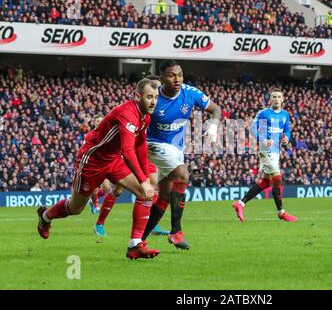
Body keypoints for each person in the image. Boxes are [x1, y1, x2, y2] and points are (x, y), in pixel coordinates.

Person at [36, 78, 161, 260]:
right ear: (137, 96)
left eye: (156, 97)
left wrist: (145, 178)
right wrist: (142, 179)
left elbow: (140, 144)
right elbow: (127, 150)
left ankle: (135, 245)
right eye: (149, 97)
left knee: (145, 193)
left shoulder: (145, 116)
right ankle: (45, 217)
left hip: (114, 160)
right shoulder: (128, 114)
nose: (153, 101)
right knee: (76, 208)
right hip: (92, 161)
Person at [140, 60, 222, 250]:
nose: (176, 79)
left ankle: (139, 240)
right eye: (171, 75)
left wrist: (213, 125)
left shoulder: (190, 93)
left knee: (165, 196)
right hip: (152, 144)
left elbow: (215, 108)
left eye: (179, 74)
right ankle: (176, 232)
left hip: (175, 149)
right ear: (161, 78)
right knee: (183, 175)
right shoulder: (153, 98)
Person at [91, 77, 170, 237]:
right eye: (153, 93)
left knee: (153, 184)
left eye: (158, 93)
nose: (157, 97)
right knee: (118, 189)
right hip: (129, 150)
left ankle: (151, 223)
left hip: (146, 151)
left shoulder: (160, 109)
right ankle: (100, 223)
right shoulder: (135, 110)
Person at [232, 89, 298, 222]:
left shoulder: (285, 115)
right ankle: (281, 212)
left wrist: (286, 138)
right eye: (274, 97)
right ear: (271, 99)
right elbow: (252, 129)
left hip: (276, 151)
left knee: (266, 182)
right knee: (277, 178)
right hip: (265, 149)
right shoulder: (263, 113)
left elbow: (287, 130)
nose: (276, 99)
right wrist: (263, 140)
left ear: (282, 99)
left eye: (279, 97)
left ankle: (240, 203)